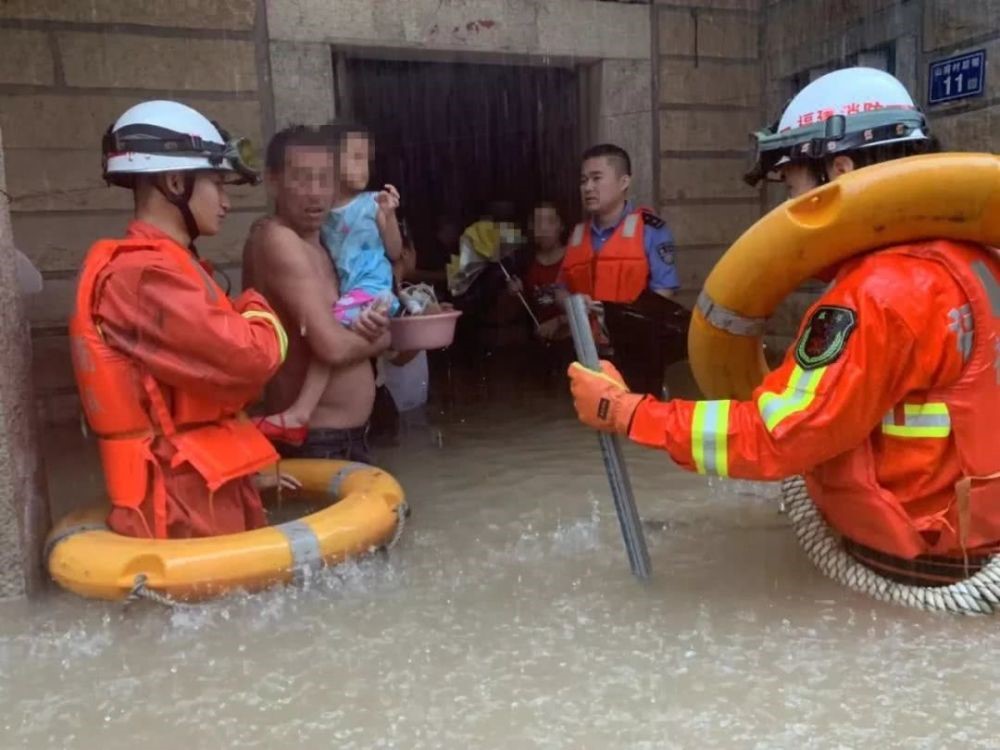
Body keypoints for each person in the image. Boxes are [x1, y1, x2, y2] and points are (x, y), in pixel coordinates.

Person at [567, 67, 1000, 586]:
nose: (789, 207)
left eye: (794, 185)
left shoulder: (879, 295)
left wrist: (629, 413)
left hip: (915, 567)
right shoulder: (977, 261)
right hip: (972, 542)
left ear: (839, 171)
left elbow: (777, 438)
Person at [71, 100, 290, 539]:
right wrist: (256, 306)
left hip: (199, 487)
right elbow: (249, 359)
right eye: (217, 184)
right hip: (176, 506)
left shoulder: (170, 269)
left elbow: (205, 392)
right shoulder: (144, 277)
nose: (227, 203)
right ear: (175, 182)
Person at [242, 125, 391, 462]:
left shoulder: (322, 242)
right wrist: (383, 339)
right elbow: (332, 347)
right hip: (317, 441)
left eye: (325, 179)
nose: (315, 193)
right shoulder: (278, 240)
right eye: (302, 178)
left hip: (340, 437)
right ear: (273, 180)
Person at [562, 143, 690, 396]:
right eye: (584, 180)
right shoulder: (577, 235)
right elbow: (561, 289)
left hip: (636, 350)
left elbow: (664, 291)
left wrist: (620, 317)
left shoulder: (651, 229)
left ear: (623, 182)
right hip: (590, 353)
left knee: (640, 419)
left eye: (597, 178)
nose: (588, 187)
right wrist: (576, 303)